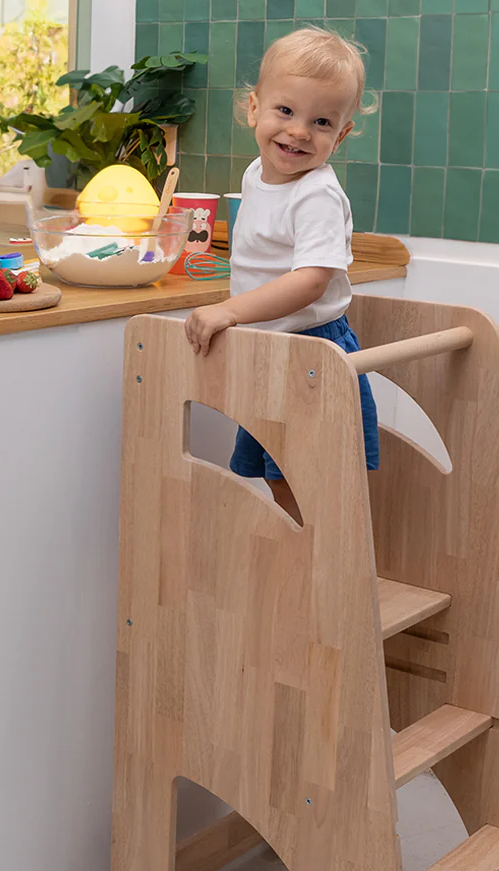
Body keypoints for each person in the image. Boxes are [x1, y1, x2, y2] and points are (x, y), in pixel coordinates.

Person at [184, 28, 380, 526]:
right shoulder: (255, 174)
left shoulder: (316, 194)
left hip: (312, 348)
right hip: (270, 346)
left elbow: (311, 280)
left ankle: (322, 560)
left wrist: (230, 310)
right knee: (277, 476)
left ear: (341, 135)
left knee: (306, 478)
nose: (299, 132)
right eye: (286, 111)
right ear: (254, 109)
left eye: (321, 122)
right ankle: (306, 558)